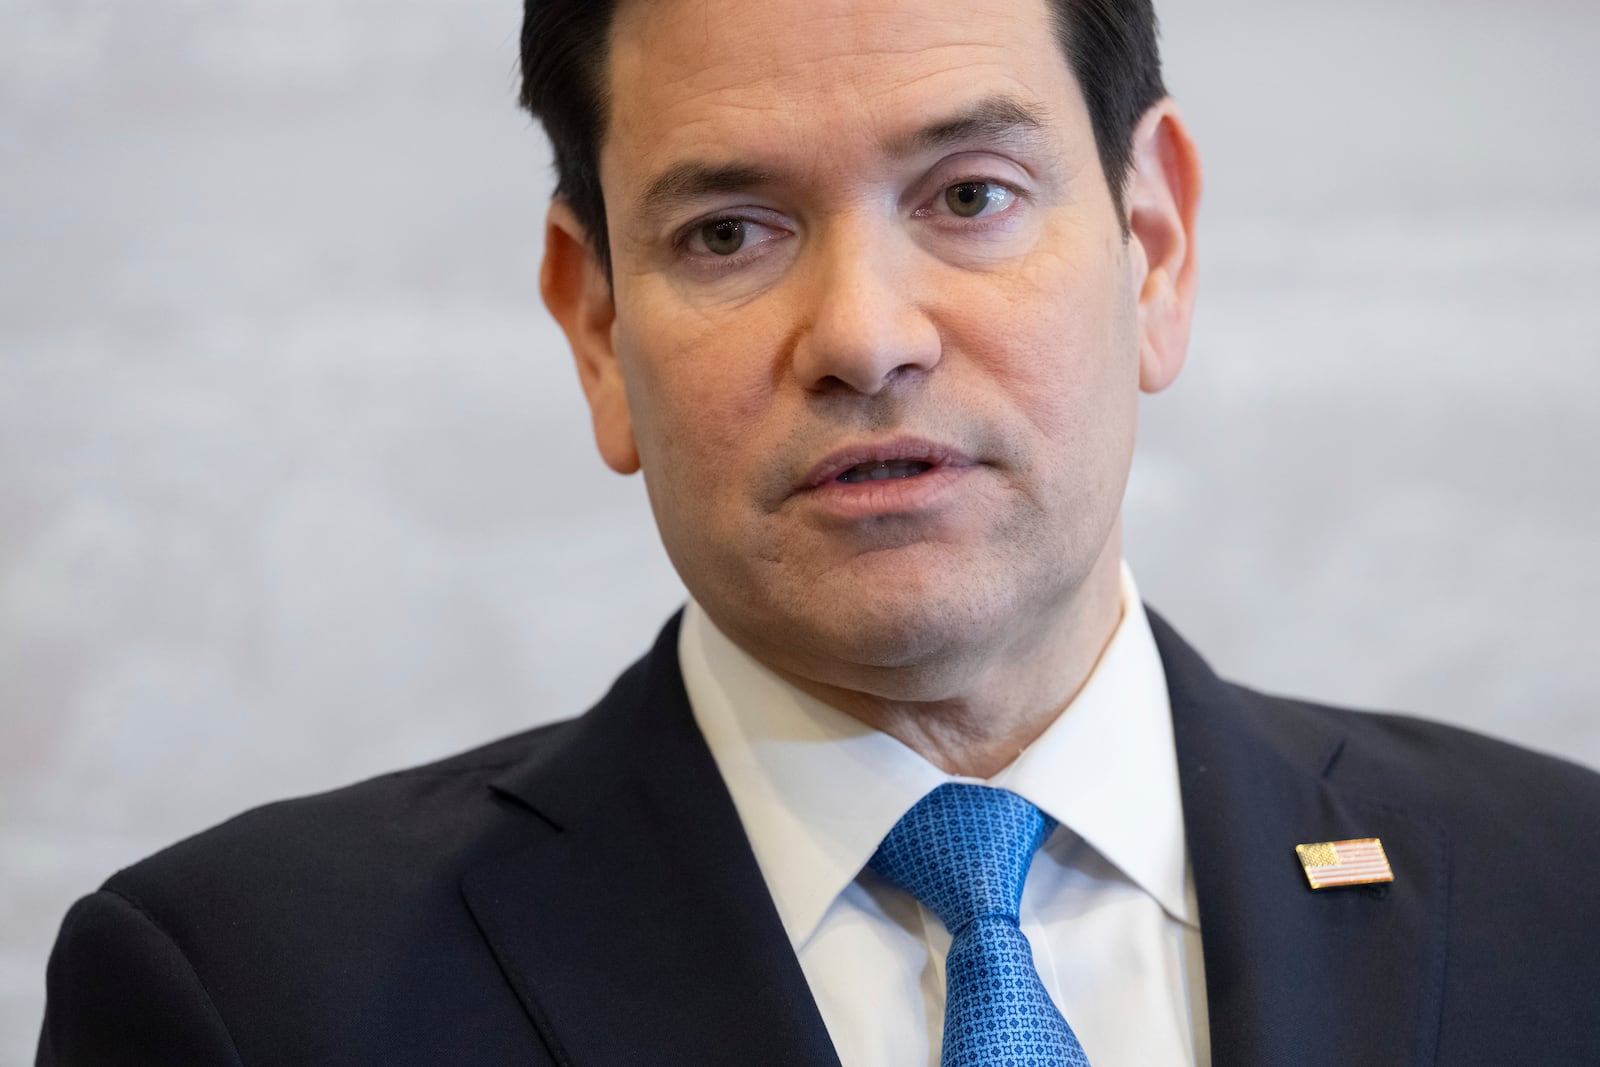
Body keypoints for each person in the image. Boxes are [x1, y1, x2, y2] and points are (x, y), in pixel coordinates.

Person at [36, 0, 1600, 1063]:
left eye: (971, 195)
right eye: (730, 232)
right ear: (595, 328)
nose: (863, 333)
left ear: (1156, 245)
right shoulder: (245, 1000)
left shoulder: (1565, 896)